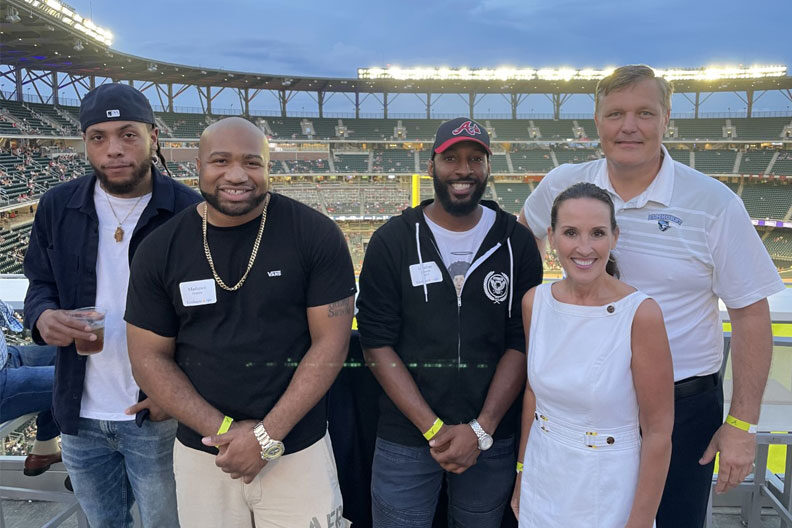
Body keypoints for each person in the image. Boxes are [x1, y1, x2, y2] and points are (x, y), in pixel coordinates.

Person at [519, 65, 785, 527]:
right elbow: (525, 249)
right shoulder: (563, 184)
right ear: (597, 122)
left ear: (667, 121)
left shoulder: (713, 203)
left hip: (682, 407)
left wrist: (742, 423)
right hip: (581, 404)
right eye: (615, 113)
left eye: (645, 113)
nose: (629, 126)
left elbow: (749, 313)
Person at [124, 116, 356, 528]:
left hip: (297, 449)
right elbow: (148, 357)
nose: (236, 175)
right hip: (204, 454)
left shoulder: (315, 235)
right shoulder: (160, 248)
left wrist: (265, 437)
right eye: (220, 161)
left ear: (268, 167)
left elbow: (330, 345)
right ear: (197, 165)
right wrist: (228, 434)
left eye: (252, 162)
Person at [23, 82, 201, 528]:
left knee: (167, 524)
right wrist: (43, 316)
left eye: (127, 134)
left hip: (157, 414)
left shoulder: (188, 211)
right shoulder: (57, 205)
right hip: (78, 413)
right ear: (85, 144)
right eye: (98, 137)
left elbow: (210, 317)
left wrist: (170, 397)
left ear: (153, 137)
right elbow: (39, 283)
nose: (113, 149)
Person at [356, 117, 543, 527]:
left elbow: (521, 342)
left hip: (491, 437)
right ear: (431, 166)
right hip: (406, 436)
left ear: (489, 167)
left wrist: (482, 428)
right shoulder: (393, 240)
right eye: (451, 158)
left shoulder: (517, 242)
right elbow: (376, 343)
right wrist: (434, 429)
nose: (464, 170)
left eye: (476, 158)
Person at [512, 182, 673, 526]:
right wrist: (522, 473)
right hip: (544, 478)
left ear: (614, 236)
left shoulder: (641, 314)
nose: (584, 248)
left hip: (609, 486)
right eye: (571, 232)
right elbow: (533, 394)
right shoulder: (534, 303)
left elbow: (658, 430)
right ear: (552, 237)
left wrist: (641, 520)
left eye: (597, 233)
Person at [0, 299, 60, 476]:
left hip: (7, 357)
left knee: (72, 349)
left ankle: (45, 446)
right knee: (80, 379)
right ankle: (87, 467)